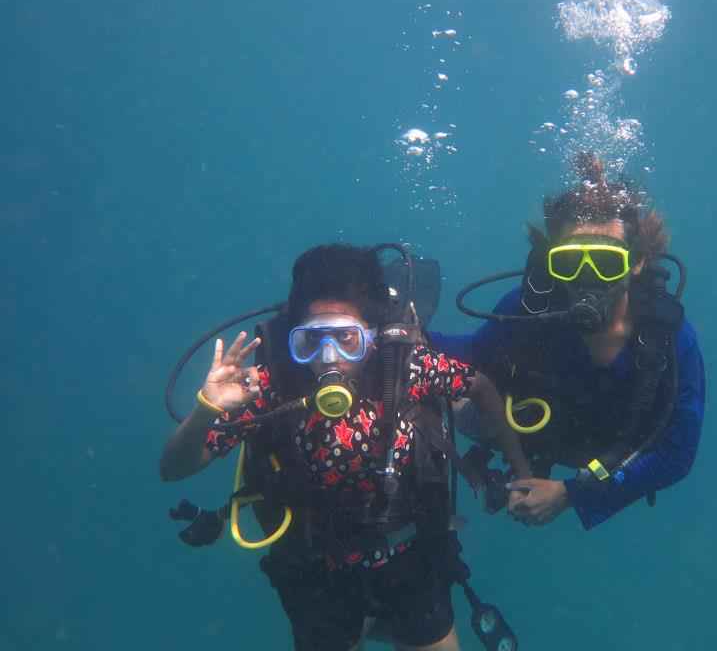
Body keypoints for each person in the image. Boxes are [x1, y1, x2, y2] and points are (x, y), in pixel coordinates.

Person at [160, 243, 529, 651]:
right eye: (311, 342)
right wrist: (206, 409)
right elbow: (173, 468)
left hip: (409, 561)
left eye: (346, 339)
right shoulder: (269, 388)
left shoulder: (406, 369)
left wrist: (521, 469)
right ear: (292, 341)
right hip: (315, 573)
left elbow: (478, 385)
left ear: (371, 337)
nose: (329, 357)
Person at [432, 153, 706, 530]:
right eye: (570, 262)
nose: (587, 279)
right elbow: (473, 354)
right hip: (535, 435)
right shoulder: (529, 310)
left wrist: (570, 495)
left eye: (606, 263)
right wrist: (401, 337)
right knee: (440, 386)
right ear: (550, 262)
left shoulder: (667, 337)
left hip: (609, 459)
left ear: (637, 261)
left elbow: (678, 453)